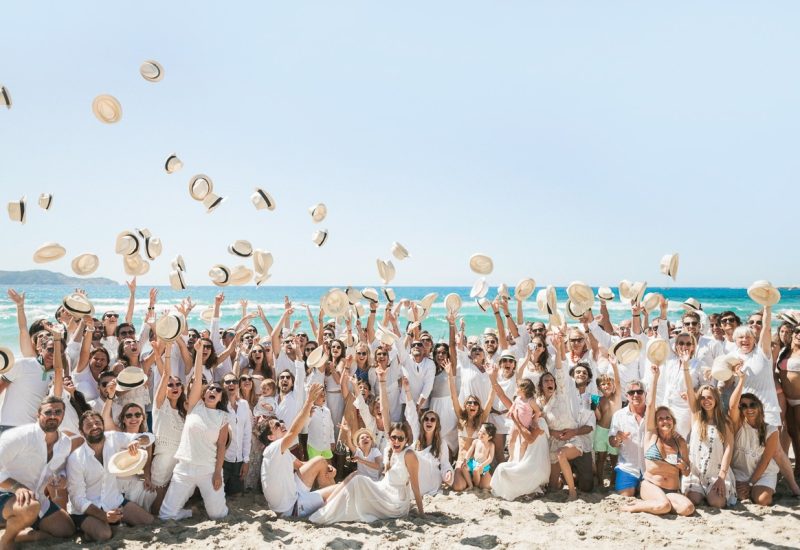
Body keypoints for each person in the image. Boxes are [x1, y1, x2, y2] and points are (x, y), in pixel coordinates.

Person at [159, 340, 231, 520]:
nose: (213, 390)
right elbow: (197, 377)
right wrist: (198, 353)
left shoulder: (223, 417)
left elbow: (222, 446)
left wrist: (217, 472)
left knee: (218, 515)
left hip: (208, 469)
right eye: (210, 388)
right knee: (165, 516)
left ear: (221, 396)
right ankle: (190, 512)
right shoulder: (194, 406)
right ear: (204, 393)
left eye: (217, 389)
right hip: (184, 467)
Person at [309, 422, 424, 524]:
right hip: (383, 489)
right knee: (355, 478)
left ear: (406, 440)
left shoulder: (409, 455)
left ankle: (327, 510)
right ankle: (327, 506)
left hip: (395, 501)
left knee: (358, 480)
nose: (397, 441)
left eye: (400, 438)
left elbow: (415, 486)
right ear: (389, 438)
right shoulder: (389, 451)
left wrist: (422, 513)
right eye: (394, 437)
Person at [0, 396, 78, 547]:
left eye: (58, 412)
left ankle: (15, 534)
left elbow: (60, 469)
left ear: (63, 414)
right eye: (48, 412)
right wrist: (17, 487)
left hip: (37, 498)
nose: (53, 416)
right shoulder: (20, 436)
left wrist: (61, 478)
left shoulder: (65, 443)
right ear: (38, 414)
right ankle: (6, 541)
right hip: (5, 495)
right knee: (30, 506)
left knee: (66, 530)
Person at [66, 411, 154, 541]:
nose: (95, 427)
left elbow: (149, 437)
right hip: (87, 510)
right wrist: (104, 516)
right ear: (81, 431)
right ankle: (85, 527)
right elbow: (77, 499)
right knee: (104, 534)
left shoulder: (113, 438)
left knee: (149, 521)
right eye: (89, 425)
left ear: (103, 425)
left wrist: (137, 441)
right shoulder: (76, 458)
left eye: (97, 423)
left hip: (114, 501)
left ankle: (111, 524)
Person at [622, 365, 694, 516]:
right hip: (651, 485)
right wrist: (655, 379)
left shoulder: (680, 442)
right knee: (663, 506)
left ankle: (660, 504)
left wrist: (683, 466)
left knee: (688, 509)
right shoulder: (651, 435)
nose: (664, 421)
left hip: (671, 490)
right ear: (656, 422)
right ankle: (636, 506)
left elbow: (687, 472)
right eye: (660, 419)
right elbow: (650, 404)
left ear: (673, 421)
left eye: (667, 418)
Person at [260, 384, 338, 518]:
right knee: (340, 489)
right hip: (290, 508)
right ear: (270, 437)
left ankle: (327, 495)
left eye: (281, 421)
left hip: (293, 493)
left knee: (320, 461)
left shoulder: (281, 451)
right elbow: (293, 432)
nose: (282, 424)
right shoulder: (272, 449)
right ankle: (330, 501)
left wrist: (326, 469)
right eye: (277, 425)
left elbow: (301, 465)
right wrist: (308, 402)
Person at [680, 350, 735, 508]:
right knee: (693, 500)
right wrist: (685, 366)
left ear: (716, 400)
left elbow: (728, 449)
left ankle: (711, 491)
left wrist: (721, 477)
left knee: (716, 503)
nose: (706, 401)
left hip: (716, 473)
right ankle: (700, 491)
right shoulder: (696, 416)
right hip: (696, 472)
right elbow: (690, 390)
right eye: (703, 398)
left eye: (709, 397)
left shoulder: (724, 422)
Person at [145, 341, 186, 515]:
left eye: (178, 384)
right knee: (157, 500)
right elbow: (165, 374)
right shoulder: (160, 405)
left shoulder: (184, 410)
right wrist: (166, 351)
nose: (174, 387)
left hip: (179, 459)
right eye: (170, 385)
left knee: (172, 495)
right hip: (162, 457)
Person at [729, 365, 780, 506]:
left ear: (759, 407)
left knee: (763, 500)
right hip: (740, 473)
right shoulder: (738, 425)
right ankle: (749, 491)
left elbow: (765, 460)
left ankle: (761, 489)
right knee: (740, 495)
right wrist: (741, 380)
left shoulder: (772, 430)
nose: (749, 409)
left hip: (763, 473)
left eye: (752, 405)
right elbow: (732, 407)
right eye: (743, 406)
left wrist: (751, 483)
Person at [608, 380, 648, 496]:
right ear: (627, 396)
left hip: (650, 468)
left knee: (647, 494)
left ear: (645, 394)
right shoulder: (619, 415)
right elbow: (612, 442)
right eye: (631, 392)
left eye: (639, 392)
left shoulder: (653, 414)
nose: (635, 395)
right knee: (626, 495)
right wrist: (618, 438)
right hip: (627, 467)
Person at [222, 373, 252, 497]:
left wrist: (246, 460)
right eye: (227, 382)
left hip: (238, 461)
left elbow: (247, 434)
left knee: (236, 496)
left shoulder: (244, 405)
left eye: (234, 381)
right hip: (222, 461)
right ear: (222, 385)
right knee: (218, 494)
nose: (231, 384)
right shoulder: (219, 406)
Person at [594, 353, 622, 490]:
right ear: (599, 388)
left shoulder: (616, 396)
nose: (606, 386)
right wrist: (595, 409)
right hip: (601, 430)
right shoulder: (599, 400)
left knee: (614, 458)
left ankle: (613, 482)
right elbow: (599, 418)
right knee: (601, 458)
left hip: (614, 431)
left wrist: (614, 366)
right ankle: (600, 482)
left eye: (608, 383)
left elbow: (618, 382)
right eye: (603, 384)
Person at [462, 423, 496, 490]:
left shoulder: (491, 445)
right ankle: (470, 485)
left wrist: (482, 465)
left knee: (476, 470)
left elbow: (490, 458)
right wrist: (465, 459)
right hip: (474, 462)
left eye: (484, 433)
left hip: (484, 465)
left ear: (489, 437)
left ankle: (476, 485)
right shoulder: (476, 441)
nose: (481, 434)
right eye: (480, 431)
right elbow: (470, 451)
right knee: (464, 468)